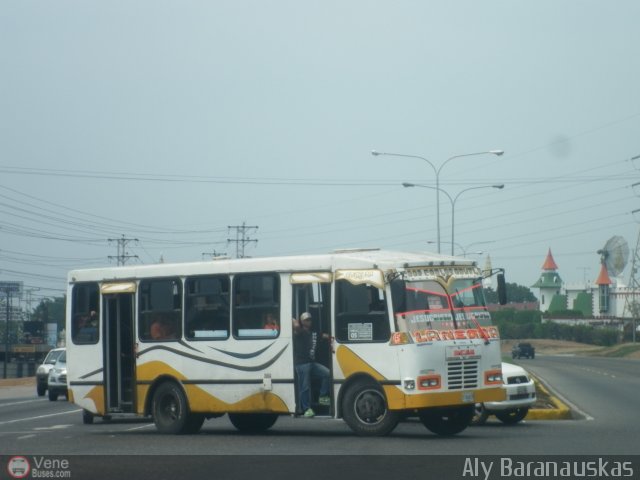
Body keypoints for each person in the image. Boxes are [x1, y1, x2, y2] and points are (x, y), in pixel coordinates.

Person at [293, 312, 331, 418]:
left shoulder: (314, 332)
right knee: (305, 387)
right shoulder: (299, 331)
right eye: (306, 320)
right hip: (302, 364)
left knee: (327, 374)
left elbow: (325, 336)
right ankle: (306, 409)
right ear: (301, 321)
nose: (308, 321)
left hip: (312, 363)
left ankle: (322, 397)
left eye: (309, 319)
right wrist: (292, 318)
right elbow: (295, 325)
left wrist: (334, 337)